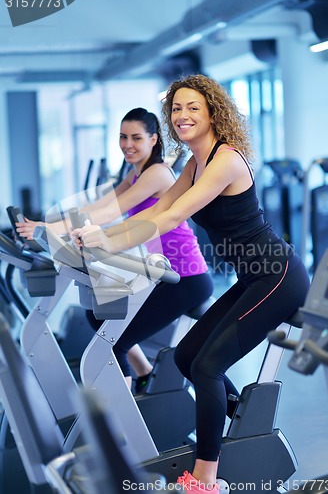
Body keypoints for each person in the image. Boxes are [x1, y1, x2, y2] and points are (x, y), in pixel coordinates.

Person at [73, 76, 310, 494]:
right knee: (185, 357)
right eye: (177, 109)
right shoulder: (193, 164)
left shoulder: (226, 161)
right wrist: (101, 238)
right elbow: (159, 208)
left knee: (207, 366)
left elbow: (168, 218)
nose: (182, 115)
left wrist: (106, 239)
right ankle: (240, 417)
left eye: (193, 108)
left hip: (277, 275)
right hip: (253, 276)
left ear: (213, 112)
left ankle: (206, 479)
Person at [17, 107, 213, 393]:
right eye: (123, 137)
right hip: (163, 273)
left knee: (111, 344)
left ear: (153, 140)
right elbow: (98, 206)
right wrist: (46, 225)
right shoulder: (135, 174)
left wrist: (51, 229)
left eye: (136, 137)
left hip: (186, 278)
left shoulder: (157, 173)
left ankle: (122, 424)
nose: (128, 144)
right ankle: (146, 375)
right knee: (99, 317)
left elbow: (111, 212)